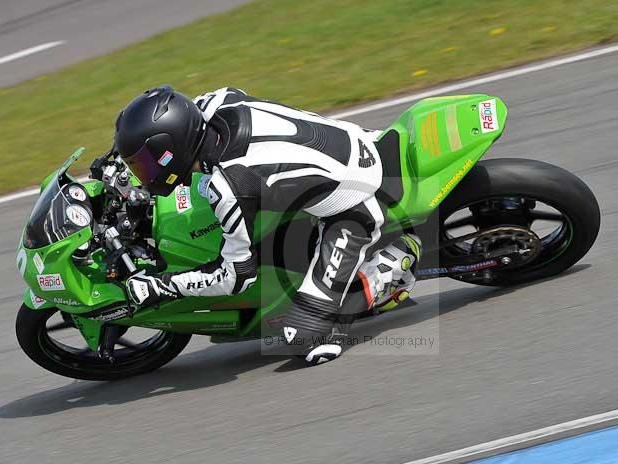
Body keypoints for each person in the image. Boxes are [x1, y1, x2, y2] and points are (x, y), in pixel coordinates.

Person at [116, 86, 421, 365]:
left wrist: (164, 286)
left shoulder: (229, 187)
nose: (142, 173)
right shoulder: (215, 104)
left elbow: (237, 277)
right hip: (360, 140)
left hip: (357, 206)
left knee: (303, 339)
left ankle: (388, 270)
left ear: (171, 150)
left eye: (143, 164)